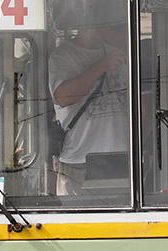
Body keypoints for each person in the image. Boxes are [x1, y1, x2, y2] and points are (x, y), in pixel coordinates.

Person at [48, 21, 129, 195]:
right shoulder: (63, 55)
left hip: (120, 159)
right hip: (79, 161)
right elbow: (62, 98)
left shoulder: (116, 52)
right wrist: (99, 67)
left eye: (105, 23)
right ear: (82, 22)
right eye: (97, 23)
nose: (103, 28)